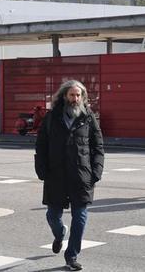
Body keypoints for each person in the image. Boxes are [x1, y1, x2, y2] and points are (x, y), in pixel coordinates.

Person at [34, 79, 104, 271]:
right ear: (64, 95)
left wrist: (96, 171)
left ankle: (71, 255)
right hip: (55, 175)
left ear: (83, 97)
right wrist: (41, 169)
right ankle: (59, 233)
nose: (75, 98)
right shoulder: (52, 117)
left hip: (82, 175)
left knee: (80, 217)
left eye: (78, 95)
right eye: (71, 95)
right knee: (52, 215)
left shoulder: (88, 117)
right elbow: (41, 145)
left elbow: (98, 146)